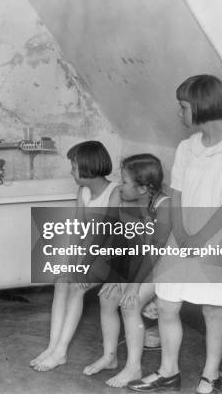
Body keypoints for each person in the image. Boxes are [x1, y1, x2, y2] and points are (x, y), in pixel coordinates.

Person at [127, 75, 222, 394]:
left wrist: (200, 238)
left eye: (183, 107)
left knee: (212, 308)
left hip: (218, 237)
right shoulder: (187, 147)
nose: (179, 114)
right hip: (185, 233)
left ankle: (210, 374)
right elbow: (176, 193)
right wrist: (182, 233)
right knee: (167, 303)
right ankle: (168, 371)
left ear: (201, 106)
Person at [30, 140, 120, 372]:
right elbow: (78, 229)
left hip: (113, 255)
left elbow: (105, 235)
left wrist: (82, 266)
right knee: (61, 282)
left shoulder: (115, 192)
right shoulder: (84, 191)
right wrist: (70, 261)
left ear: (88, 168)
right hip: (91, 252)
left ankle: (61, 351)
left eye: (74, 167)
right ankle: (52, 347)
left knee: (77, 286)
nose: (71, 172)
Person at [87, 154, 172, 387]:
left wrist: (133, 286)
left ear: (143, 188)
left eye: (124, 181)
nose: (120, 185)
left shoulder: (164, 206)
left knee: (129, 303)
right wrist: (116, 275)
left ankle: (134, 367)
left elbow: (154, 254)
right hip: (140, 263)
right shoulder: (131, 203)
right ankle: (109, 357)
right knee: (107, 298)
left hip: (164, 268)